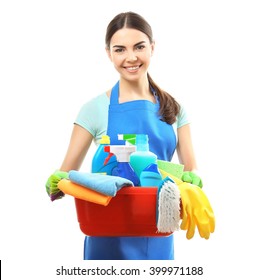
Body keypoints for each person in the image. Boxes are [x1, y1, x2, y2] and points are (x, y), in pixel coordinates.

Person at [48, 11, 203, 260]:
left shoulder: (175, 108)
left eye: (139, 47)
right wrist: (58, 181)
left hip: (158, 231)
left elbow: (191, 168)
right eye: (120, 49)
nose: (131, 57)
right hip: (106, 234)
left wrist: (192, 182)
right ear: (108, 53)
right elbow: (67, 174)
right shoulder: (94, 109)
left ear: (152, 47)